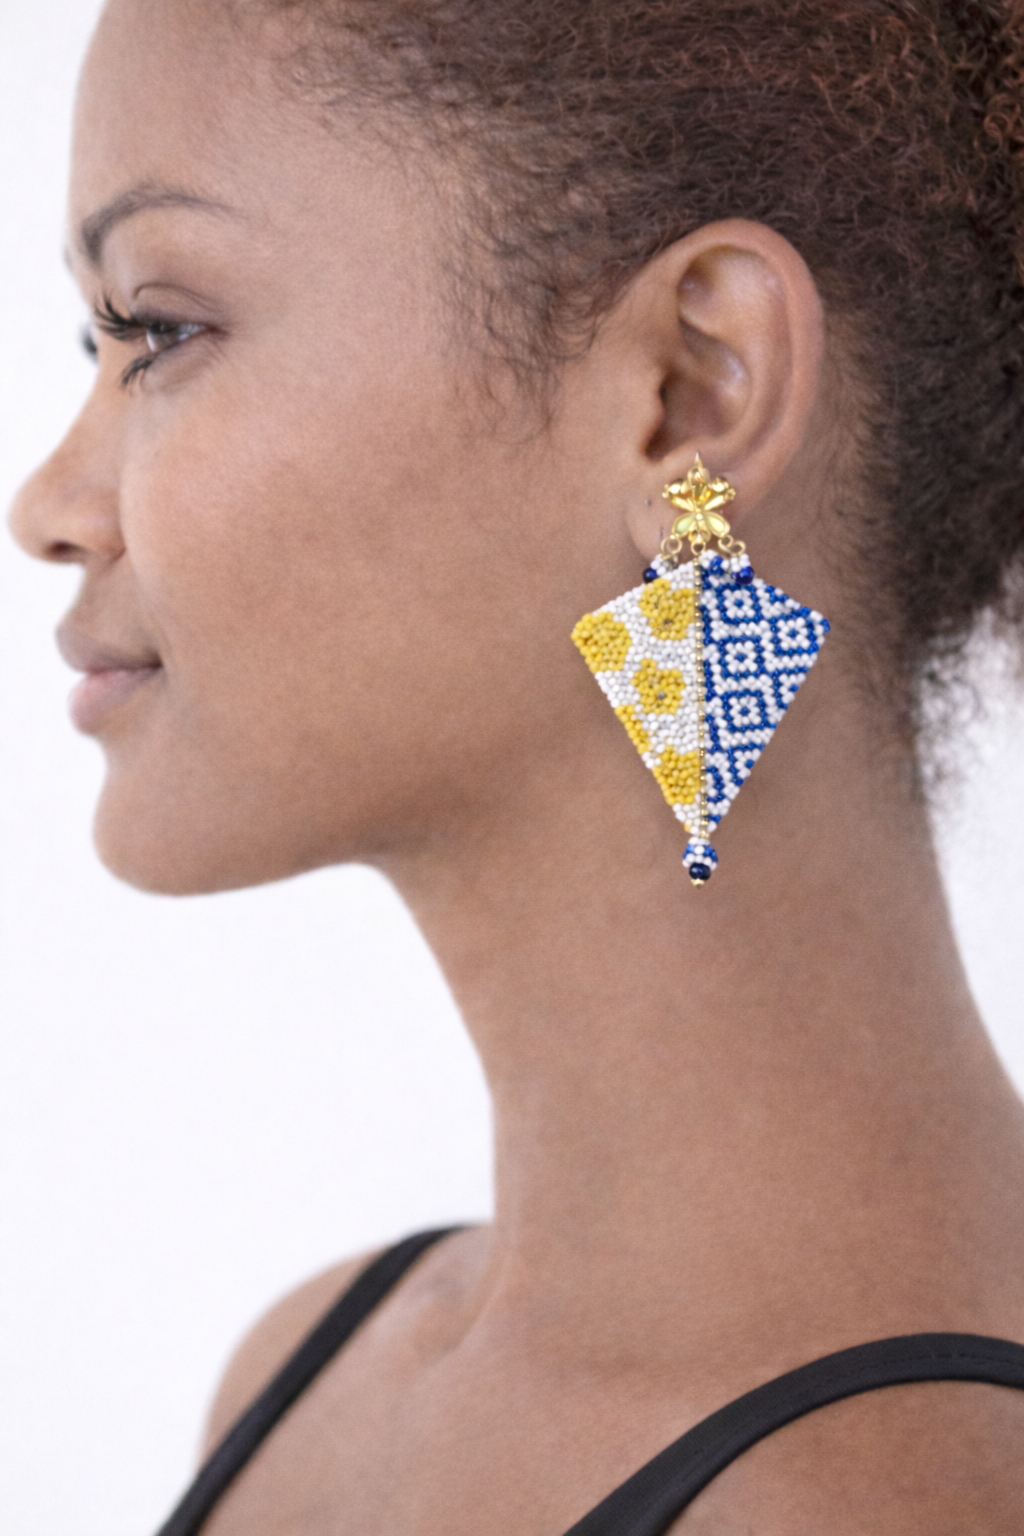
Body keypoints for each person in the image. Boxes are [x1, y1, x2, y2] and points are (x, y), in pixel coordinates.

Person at [9, 0, 1024, 1529]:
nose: (48, 505)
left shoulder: (902, 1501)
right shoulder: (302, 1382)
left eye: (158, 333)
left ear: (688, 393)